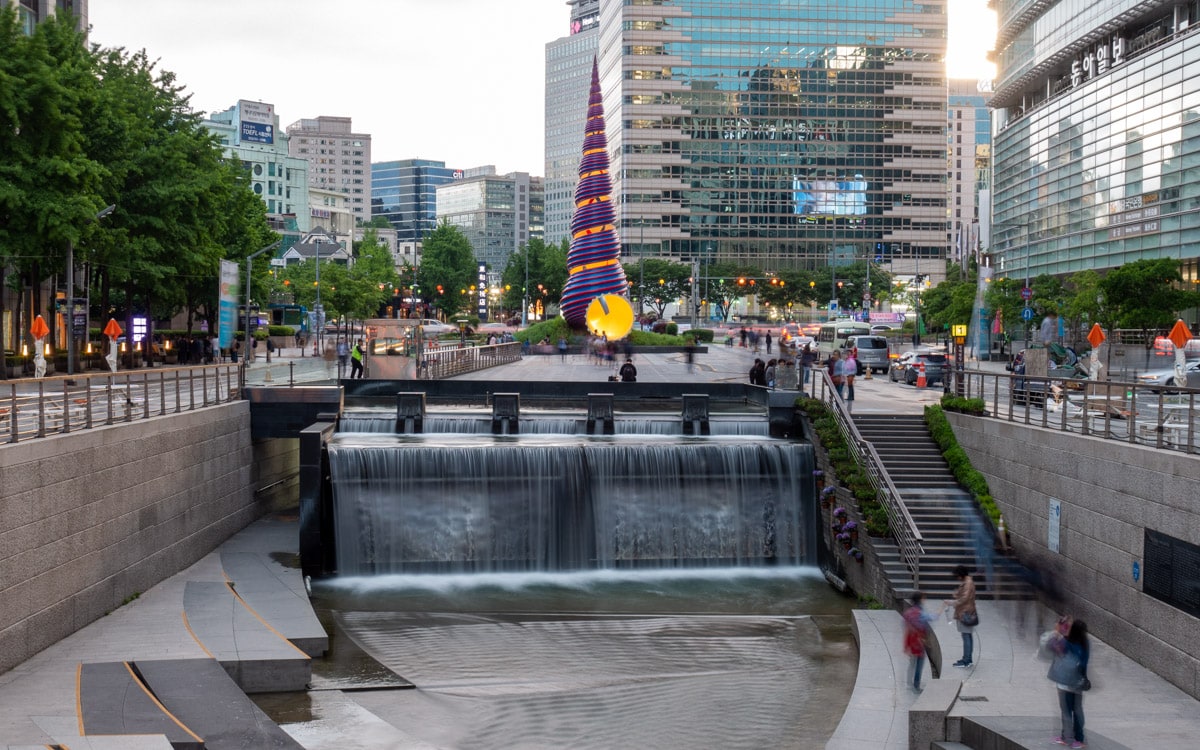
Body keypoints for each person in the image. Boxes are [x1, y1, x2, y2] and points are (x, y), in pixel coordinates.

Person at [1048, 619, 1090, 748]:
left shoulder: (1066, 642)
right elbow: (1084, 663)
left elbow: (1050, 646)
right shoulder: (1085, 643)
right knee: (1077, 710)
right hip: (1078, 683)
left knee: (1066, 712)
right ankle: (1079, 738)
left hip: (1064, 684)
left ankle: (1066, 738)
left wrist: (1057, 631)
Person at [903, 592, 937, 691]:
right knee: (919, 663)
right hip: (920, 641)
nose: (924, 599)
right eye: (923, 598)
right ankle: (916, 685)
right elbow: (932, 617)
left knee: (912, 663)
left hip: (911, 640)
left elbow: (905, 625)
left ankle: (909, 682)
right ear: (920, 600)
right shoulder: (921, 612)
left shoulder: (908, 612)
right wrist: (941, 609)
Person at [945, 565, 978, 667]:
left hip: (965, 613)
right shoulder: (967, 582)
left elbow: (964, 599)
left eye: (957, 576)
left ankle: (966, 660)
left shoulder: (967, 584)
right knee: (968, 635)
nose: (957, 578)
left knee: (966, 636)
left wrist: (952, 602)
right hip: (967, 611)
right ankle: (968, 659)